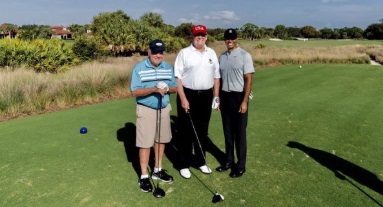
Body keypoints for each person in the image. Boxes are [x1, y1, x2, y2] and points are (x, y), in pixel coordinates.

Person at [130, 39, 177, 192]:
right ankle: (144, 176)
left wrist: (167, 88)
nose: (158, 55)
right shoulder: (139, 68)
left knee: (161, 140)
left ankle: (157, 170)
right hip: (146, 109)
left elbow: (175, 87)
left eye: (161, 52)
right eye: (155, 52)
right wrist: (154, 89)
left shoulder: (167, 67)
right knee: (145, 143)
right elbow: (134, 92)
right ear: (149, 52)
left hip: (163, 109)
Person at [174, 24, 221, 179]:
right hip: (188, 94)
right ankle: (184, 164)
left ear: (206, 36)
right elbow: (178, 78)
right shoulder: (184, 53)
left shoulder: (211, 53)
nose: (199, 37)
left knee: (202, 130)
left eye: (202, 35)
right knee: (186, 131)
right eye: (196, 35)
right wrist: (183, 98)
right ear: (192, 37)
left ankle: (201, 162)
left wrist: (216, 96)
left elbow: (216, 76)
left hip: (206, 95)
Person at [215, 28, 255, 178]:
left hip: (239, 97)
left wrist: (244, 101)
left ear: (237, 38)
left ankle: (241, 165)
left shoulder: (245, 55)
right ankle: (228, 161)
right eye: (227, 38)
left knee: (240, 134)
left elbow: (249, 79)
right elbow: (219, 79)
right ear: (225, 40)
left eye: (232, 38)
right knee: (227, 132)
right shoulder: (222, 56)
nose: (229, 40)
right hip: (225, 97)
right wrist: (217, 98)